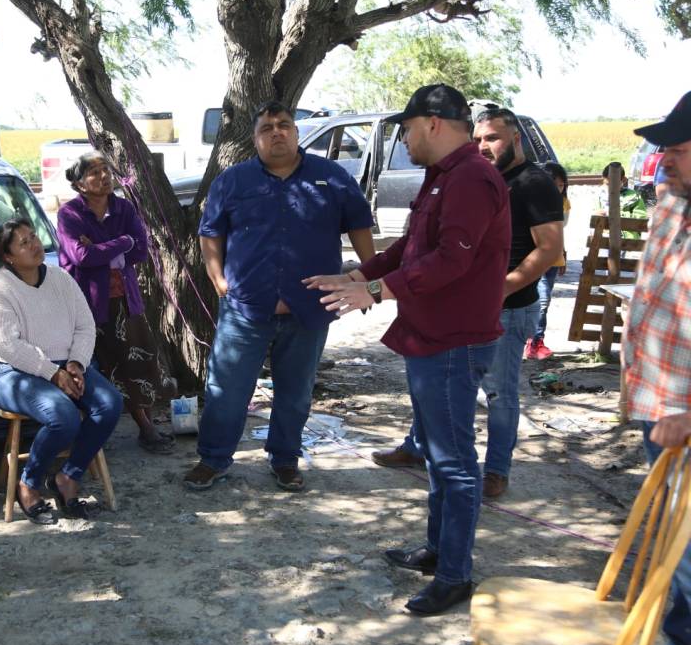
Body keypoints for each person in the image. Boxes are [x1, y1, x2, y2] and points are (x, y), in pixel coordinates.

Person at [305, 84, 511, 615]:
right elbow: (409, 247)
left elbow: (449, 261)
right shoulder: (444, 176)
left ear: (434, 123)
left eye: (407, 128)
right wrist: (355, 272)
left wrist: (372, 291)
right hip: (430, 337)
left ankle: (455, 575)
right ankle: (438, 551)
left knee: (454, 462)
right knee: (439, 460)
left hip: (453, 342)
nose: (403, 138)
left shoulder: (470, 178)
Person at [370, 107, 564, 500]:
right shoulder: (465, 177)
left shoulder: (532, 183)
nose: (484, 146)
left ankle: (495, 470)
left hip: (507, 305)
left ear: (516, 139)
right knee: (435, 385)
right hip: (465, 302)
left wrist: (501, 289)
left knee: (499, 394)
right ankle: (418, 445)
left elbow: (549, 249)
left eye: (493, 138)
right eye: (478, 139)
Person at [184, 100, 376, 493]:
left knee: (296, 392)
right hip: (245, 309)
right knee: (226, 389)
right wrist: (219, 280)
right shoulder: (233, 181)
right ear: (255, 139)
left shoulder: (332, 177)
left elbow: (359, 227)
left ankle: (285, 459)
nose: (276, 132)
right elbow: (210, 234)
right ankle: (213, 459)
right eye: (267, 127)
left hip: (309, 309)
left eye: (284, 125)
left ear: (296, 131)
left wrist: (367, 281)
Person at [0, 218, 122, 524]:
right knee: (63, 415)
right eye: (24, 242)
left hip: (63, 365)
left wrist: (75, 364)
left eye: (33, 237)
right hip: (10, 371)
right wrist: (52, 373)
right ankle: (28, 482)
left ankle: (68, 476)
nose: (34, 245)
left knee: (110, 403)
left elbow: (84, 326)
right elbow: (8, 345)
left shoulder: (60, 279)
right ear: (8, 256)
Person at [623, 90, 691, 645]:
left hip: (682, 412)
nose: (663, 159)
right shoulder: (674, 196)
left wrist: (685, 411)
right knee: (674, 542)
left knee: (688, 558)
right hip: (660, 403)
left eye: (679, 148)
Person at [56, 151, 177, 454]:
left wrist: (107, 248)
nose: (104, 176)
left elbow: (140, 250)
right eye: (94, 172)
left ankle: (146, 428)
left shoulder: (123, 208)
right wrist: (121, 243)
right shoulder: (70, 214)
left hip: (125, 300)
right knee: (96, 364)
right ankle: (92, 432)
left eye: (105, 170)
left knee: (137, 361)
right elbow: (80, 257)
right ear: (79, 183)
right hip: (87, 305)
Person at [526, 161, 571, 360]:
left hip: (553, 259)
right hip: (533, 257)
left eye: (561, 186)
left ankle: (535, 341)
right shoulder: (528, 200)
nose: (557, 189)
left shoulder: (564, 203)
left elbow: (559, 231)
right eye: (553, 184)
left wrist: (563, 252)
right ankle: (533, 342)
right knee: (540, 300)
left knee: (544, 299)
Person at [600, 161, 648, 239]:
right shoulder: (601, 196)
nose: (610, 187)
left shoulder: (633, 196)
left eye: (614, 184)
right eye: (607, 184)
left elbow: (641, 219)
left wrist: (619, 214)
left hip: (628, 240)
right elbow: (595, 213)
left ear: (623, 180)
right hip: (605, 239)